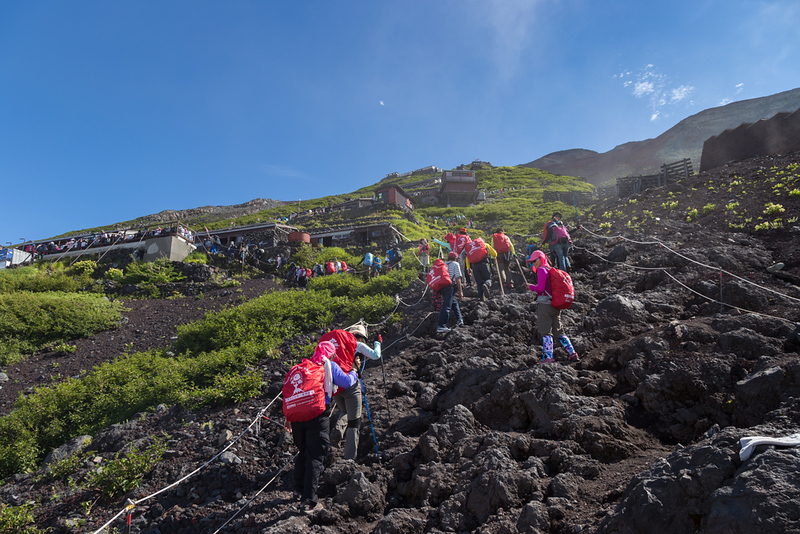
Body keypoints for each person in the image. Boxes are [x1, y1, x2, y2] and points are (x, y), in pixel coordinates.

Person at [283, 340, 359, 513]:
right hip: (317, 416)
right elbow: (346, 382)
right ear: (331, 354)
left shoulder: (301, 367)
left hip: (296, 417)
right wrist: (354, 372)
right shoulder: (328, 365)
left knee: (303, 451)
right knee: (316, 456)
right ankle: (309, 502)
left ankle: (298, 489)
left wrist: (288, 417)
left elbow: (289, 392)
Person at [320, 325, 382, 460]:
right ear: (362, 336)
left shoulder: (334, 345)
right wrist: (377, 343)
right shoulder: (357, 344)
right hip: (351, 386)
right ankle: (349, 458)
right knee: (354, 422)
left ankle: (338, 429)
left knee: (346, 411)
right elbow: (376, 355)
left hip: (334, 387)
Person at [527, 250, 579, 363]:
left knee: (546, 332)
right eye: (531, 262)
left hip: (545, 305)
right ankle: (572, 353)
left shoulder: (541, 270)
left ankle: (548, 357)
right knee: (559, 332)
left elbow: (540, 289)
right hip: (555, 303)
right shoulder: (550, 269)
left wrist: (530, 287)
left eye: (534, 261)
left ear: (541, 258)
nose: (533, 264)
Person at [462, 237, 497, 301]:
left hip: (474, 266)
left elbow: (467, 258)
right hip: (484, 264)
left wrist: (468, 268)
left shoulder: (471, 248)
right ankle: (486, 285)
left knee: (479, 282)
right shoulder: (485, 245)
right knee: (488, 278)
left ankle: (481, 297)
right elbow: (494, 254)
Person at [436, 252, 464, 333]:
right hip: (450, 286)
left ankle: (459, 319)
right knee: (447, 306)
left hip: (442, 287)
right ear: (455, 259)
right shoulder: (455, 264)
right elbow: (458, 278)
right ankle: (441, 326)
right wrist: (460, 291)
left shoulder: (444, 264)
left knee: (453, 302)